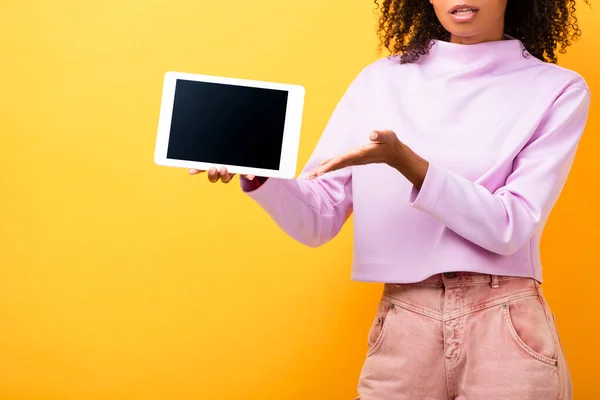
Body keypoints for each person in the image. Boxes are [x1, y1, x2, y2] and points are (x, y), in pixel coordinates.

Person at [191, 0, 592, 398]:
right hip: (404, 320)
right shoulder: (379, 81)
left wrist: (406, 162)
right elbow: (318, 220)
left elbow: (510, 226)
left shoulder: (558, 88)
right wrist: (262, 177)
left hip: (505, 322)